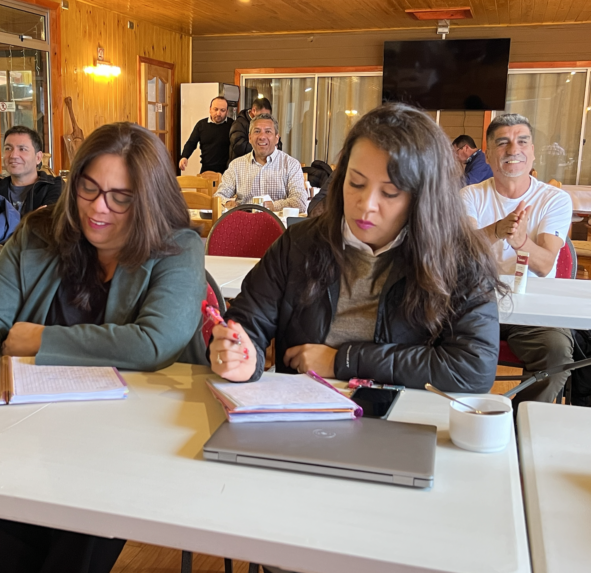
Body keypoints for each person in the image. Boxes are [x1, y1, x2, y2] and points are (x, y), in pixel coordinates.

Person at [0, 122, 207, 573]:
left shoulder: (176, 246)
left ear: (148, 200)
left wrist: (40, 339)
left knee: (83, 520)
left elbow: (156, 342)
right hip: (24, 426)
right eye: (88, 188)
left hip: (128, 437)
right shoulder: (39, 232)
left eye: (120, 197)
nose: (98, 207)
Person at [209, 103, 503, 395]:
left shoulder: (459, 259)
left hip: (403, 416)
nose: (366, 205)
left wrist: (343, 361)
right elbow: (248, 322)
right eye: (356, 183)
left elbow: (473, 368)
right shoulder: (299, 243)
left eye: (390, 192)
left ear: (423, 197)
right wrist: (238, 355)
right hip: (303, 408)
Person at [461, 113, 574, 406]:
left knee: (556, 354)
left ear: (532, 152)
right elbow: (459, 256)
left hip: (536, 312)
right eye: (503, 143)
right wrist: (497, 230)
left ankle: (516, 421)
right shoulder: (468, 197)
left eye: (522, 142)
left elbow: (545, 264)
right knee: (433, 339)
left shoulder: (554, 199)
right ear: (488, 154)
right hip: (476, 303)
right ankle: (462, 417)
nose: (514, 149)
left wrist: (521, 241)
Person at [215, 114, 307, 212]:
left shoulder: (291, 165)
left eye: (268, 131)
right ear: (250, 138)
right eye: (257, 131)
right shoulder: (236, 165)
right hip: (245, 219)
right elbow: (218, 196)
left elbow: (300, 202)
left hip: (278, 220)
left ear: (277, 138)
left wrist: (274, 206)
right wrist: (227, 203)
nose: (262, 137)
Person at [0, 125, 63, 215]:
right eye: (8, 148)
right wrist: (33, 218)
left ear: (38, 157)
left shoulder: (54, 187)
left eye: (22, 149)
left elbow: (49, 222)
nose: (13, 155)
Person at [178, 96, 233, 174]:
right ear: (210, 109)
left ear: (227, 112)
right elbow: (191, 143)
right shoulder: (201, 125)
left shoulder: (233, 125)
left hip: (227, 171)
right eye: (215, 109)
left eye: (222, 110)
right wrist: (184, 157)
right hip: (206, 169)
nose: (218, 113)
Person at [228, 97, 282, 163]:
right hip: (244, 163)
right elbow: (239, 146)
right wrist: (263, 147)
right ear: (253, 110)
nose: (264, 119)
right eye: (262, 115)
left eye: (267, 116)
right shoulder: (239, 123)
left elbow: (278, 143)